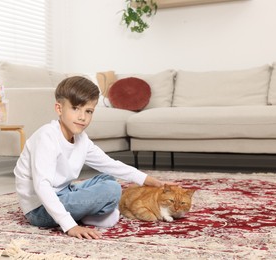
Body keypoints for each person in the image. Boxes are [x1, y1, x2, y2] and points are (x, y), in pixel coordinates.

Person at [14, 76, 176, 240]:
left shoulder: (81, 139)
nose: (82, 117)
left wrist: (150, 180)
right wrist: (70, 226)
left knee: (108, 179)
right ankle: (82, 216)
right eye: (75, 108)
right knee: (111, 190)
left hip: (64, 193)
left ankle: (85, 213)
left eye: (88, 111)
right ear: (59, 108)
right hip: (40, 209)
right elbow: (42, 186)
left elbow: (109, 164)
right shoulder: (46, 137)